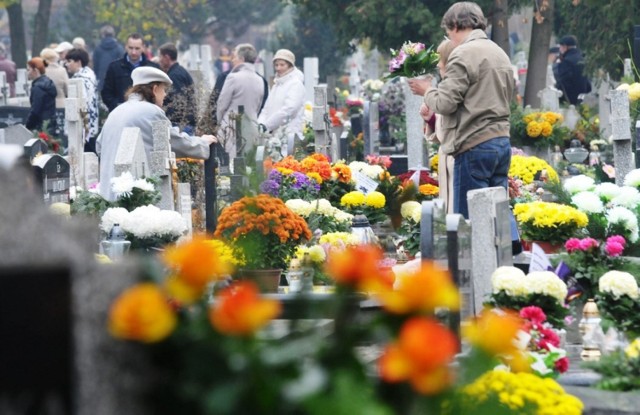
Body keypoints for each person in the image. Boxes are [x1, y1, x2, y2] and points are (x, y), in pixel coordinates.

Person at [408, 1, 514, 219]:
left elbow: (446, 103)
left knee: (469, 222)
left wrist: (427, 90)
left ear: (456, 25)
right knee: (499, 220)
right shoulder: (499, 52)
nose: (450, 39)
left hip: (473, 144)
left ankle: (474, 255)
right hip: (501, 142)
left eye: (449, 32)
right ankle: (507, 252)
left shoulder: (463, 53)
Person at [96, 66, 217, 201]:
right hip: (132, 193)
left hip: (109, 189)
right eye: (163, 90)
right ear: (154, 89)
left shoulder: (117, 111)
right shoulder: (151, 111)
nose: (165, 95)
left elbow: (99, 146)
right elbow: (173, 141)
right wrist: (202, 142)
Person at [419, 39, 456, 214]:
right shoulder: (448, 85)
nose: (439, 67)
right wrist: (432, 119)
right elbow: (445, 127)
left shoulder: (455, 86)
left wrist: (427, 90)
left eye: (440, 62)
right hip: (448, 156)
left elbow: (453, 127)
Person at [216, 43, 265, 160]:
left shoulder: (233, 77)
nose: (233, 60)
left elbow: (222, 104)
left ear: (242, 59)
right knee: (247, 165)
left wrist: (219, 122)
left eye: (235, 57)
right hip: (251, 125)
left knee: (230, 166)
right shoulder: (260, 80)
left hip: (231, 126)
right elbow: (258, 106)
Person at [257, 49, 305, 155]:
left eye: (282, 65)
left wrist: (267, 125)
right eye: (276, 65)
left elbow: (289, 110)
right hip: (273, 135)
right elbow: (266, 108)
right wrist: (260, 124)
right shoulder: (277, 85)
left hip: (288, 135)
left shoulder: (295, 84)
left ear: (290, 65)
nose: (278, 68)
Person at [101, 33, 159, 112]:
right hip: (121, 114)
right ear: (126, 47)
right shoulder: (114, 67)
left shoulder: (152, 68)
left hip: (145, 114)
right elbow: (106, 93)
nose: (133, 52)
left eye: (137, 48)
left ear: (143, 48)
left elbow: (159, 92)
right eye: (131, 48)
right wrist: (116, 106)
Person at [65, 48, 99, 153]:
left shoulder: (81, 80)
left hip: (83, 130)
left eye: (69, 61)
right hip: (89, 127)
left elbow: (83, 106)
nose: (66, 64)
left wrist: (85, 128)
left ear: (78, 62)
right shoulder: (89, 75)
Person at [158, 43, 196, 132]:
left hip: (180, 124)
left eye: (160, 57)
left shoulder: (174, 76)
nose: (159, 60)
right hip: (186, 122)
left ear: (167, 57)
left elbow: (178, 102)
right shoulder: (180, 71)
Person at [554, 35, 591, 105]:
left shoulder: (567, 61)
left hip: (570, 98)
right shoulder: (582, 58)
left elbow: (563, 82)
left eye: (561, 47)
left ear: (565, 47)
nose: (560, 49)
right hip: (583, 96)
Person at [25, 57, 57, 134]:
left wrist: (27, 126)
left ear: (35, 70)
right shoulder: (49, 83)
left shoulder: (38, 88)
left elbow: (35, 110)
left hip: (40, 126)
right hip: (51, 123)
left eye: (29, 70)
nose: (27, 72)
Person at [93, 25, 125, 92]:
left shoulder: (97, 49)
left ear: (103, 35)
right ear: (113, 34)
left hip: (102, 81)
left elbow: (95, 66)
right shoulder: (119, 49)